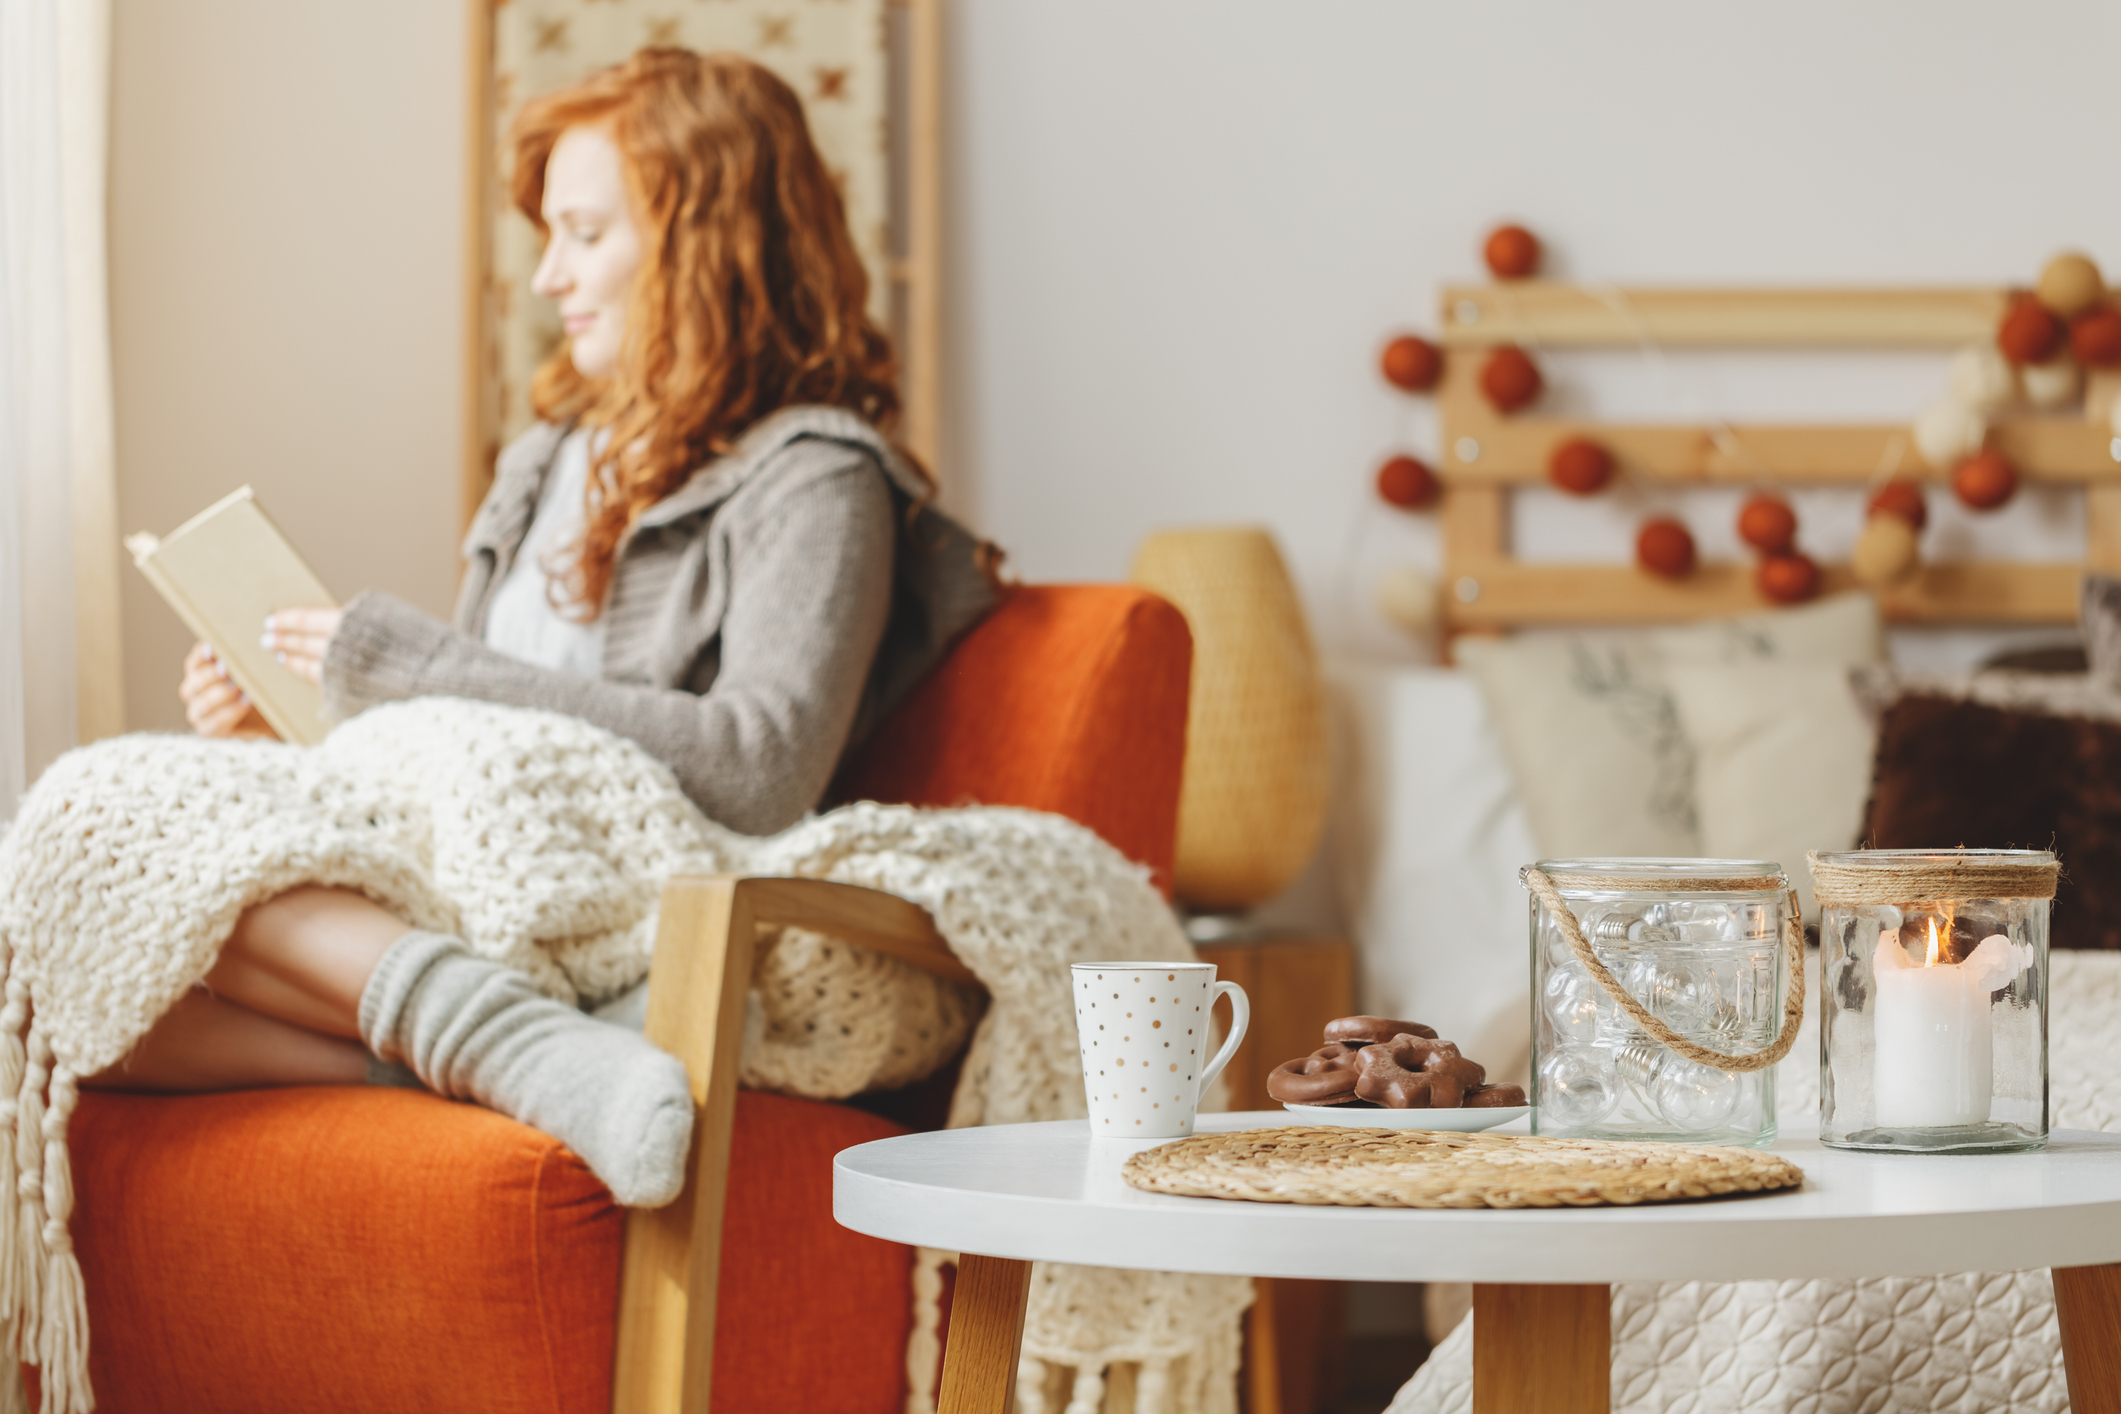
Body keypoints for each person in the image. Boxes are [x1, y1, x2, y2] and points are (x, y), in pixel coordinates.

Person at [93, 49, 997, 1209]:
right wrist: (288, 725)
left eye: (581, 234)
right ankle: (514, 1057)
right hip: (465, 867)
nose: (548, 279)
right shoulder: (541, 465)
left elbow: (765, 766)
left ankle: (502, 1037)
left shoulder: (813, 477)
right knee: (77, 979)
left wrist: (420, 669)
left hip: (605, 897)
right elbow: (460, 745)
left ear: (698, 242)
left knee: (122, 824)